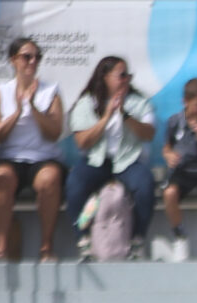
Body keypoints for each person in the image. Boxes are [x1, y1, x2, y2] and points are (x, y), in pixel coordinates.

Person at [63, 56, 154, 259]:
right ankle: (83, 239)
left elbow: (149, 134)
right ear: (105, 77)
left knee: (145, 185)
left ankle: (137, 240)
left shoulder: (139, 102)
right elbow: (82, 142)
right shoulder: (87, 103)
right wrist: (106, 117)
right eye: (121, 75)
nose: (126, 80)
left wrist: (125, 115)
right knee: (75, 184)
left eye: (128, 76)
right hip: (97, 160)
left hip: (128, 161)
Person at [0, 37, 65, 262]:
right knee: (1, 178)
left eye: (37, 57)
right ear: (13, 60)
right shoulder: (0, 92)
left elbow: (54, 132)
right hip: (10, 157)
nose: (32, 62)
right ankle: (1, 249)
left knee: (50, 179)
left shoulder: (51, 91)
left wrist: (34, 108)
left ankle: (46, 248)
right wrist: (17, 113)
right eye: (26, 57)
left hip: (43, 157)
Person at [158, 78, 197, 261]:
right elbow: (166, 147)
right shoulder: (174, 122)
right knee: (169, 193)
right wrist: (169, 155)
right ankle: (180, 237)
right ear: (185, 102)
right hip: (182, 170)